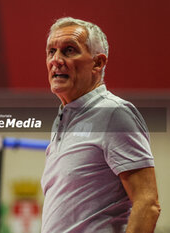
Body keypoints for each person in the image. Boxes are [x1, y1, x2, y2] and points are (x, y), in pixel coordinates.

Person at [41, 17, 161, 233]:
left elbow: (148, 204)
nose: (56, 60)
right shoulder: (64, 118)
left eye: (69, 50)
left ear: (98, 63)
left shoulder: (114, 113)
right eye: (51, 51)